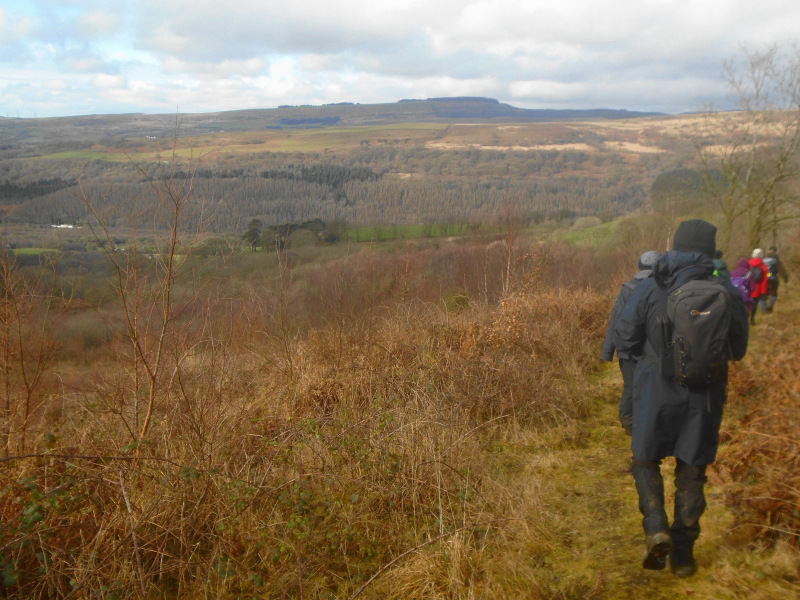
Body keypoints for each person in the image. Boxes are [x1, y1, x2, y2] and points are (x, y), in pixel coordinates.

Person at [615, 219, 749, 578]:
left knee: (644, 461)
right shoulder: (724, 289)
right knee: (692, 473)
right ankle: (684, 557)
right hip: (703, 397)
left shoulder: (651, 286)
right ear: (710, 251)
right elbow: (738, 350)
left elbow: (625, 338)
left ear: (675, 246)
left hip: (654, 392)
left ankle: (656, 527)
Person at [601, 250, 660, 435]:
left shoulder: (628, 288)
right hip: (655, 351)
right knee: (653, 387)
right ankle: (648, 422)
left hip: (628, 350)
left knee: (630, 387)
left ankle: (628, 422)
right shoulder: (664, 288)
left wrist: (607, 352)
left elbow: (616, 320)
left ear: (640, 267)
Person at [762, 246, 789, 313]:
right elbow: (782, 270)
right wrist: (785, 279)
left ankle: (763, 310)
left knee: (763, 295)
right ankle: (770, 305)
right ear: (775, 251)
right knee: (773, 293)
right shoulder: (777, 260)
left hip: (764, 279)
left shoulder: (763, 260)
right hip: (773, 280)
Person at [748, 249, 770, 324]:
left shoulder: (748, 264)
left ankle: (747, 314)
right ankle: (752, 318)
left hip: (749, 287)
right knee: (755, 303)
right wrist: (764, 290)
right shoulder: (764, 266)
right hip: (758, 287)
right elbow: (766, 279)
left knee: (747, 301)